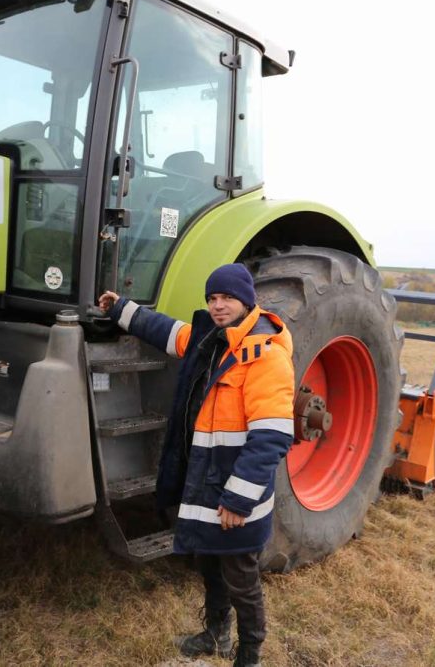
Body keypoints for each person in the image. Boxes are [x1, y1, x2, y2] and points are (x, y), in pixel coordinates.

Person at [98, 263, 295, 667]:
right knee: (208, 561)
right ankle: (216, 634)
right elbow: (166, 331)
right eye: (213, 298)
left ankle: (249, 654)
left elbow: (271, 438)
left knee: (241, 577)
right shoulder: (210, 338)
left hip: (236, 490)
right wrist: (121, 309)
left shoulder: (265, 356)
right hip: (204, 481)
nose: (218, 305)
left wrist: (238, 500)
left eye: (227, 298)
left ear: (246, 300)